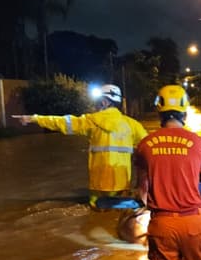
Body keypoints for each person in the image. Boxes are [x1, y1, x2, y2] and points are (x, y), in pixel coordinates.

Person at [13, 84, 148, 209]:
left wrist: (34, 118)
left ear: (104, 102)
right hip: (123, 180)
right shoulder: (132, 125)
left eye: (98, 101)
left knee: (96, 207)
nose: (96, 105)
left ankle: (113, 205)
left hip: (99, 181)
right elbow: (151, 148)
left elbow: (60, 123)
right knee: (116, 211)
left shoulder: (91, 121)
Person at [134, 84, 201, 260]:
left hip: (162, 224)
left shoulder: (144, 145)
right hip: (194, 222)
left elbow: (142, 187)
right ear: (185, 114)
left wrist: (147, 204)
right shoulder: (199, 143)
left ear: (159, 112)